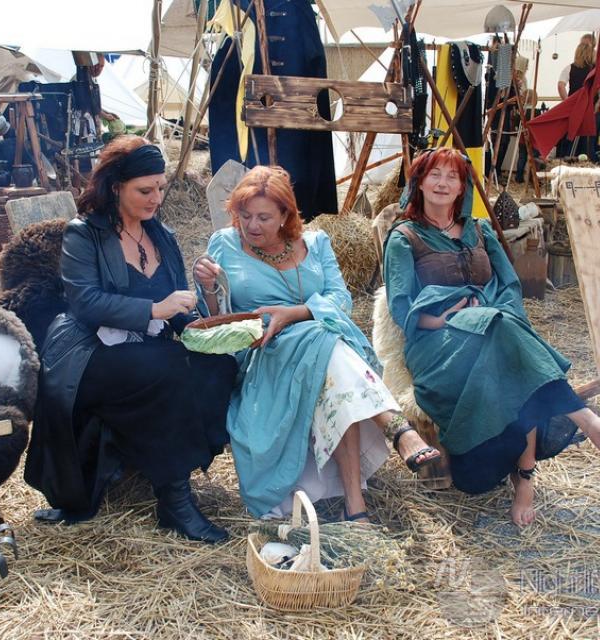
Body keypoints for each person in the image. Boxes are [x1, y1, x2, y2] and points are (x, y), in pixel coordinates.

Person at [193, 166, 440, 522]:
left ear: (285, 215)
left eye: (263, 217)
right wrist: (208, 288)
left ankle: (356, 507)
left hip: (322, 348)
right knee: (325, 342)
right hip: (266, 354)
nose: (251, 226)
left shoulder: (316, 243)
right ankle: (397, 429)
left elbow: (341, 300)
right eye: (244, 215)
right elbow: (217, 319)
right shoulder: (225, 244)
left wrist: (295, 313)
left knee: (329, 367)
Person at [24, 135, 237, 543]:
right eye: (145, 190)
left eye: (160, 187)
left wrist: (204, 328)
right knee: (168, 368)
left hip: (144, 349)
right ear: (115, 186)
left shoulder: (163, 236)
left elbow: (178, 307)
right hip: (87, 353)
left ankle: (172, 460)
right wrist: (154, 310)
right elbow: (85, 303)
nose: (156, 198)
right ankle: (174, 502)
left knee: (217, 365)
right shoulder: (83, 235)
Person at [383, 147, 600, 527]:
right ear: (419, 182)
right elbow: (401, 306)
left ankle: (525, 479)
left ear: (462, 187)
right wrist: (442, 318)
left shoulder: (480, 231)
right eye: (435, 175)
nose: (443, 183)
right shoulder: (405, 238)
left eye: (452, 176)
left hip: (495, 332)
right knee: (506, 342)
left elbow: (509, 285)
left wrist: (496, 314)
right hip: (437, 344)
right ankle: (582, 417)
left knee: (502, 331)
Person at [556, 35, 597, 159]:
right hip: (591, 109)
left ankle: (567, 160)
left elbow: (561, 85)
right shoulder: (595, 70)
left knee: (571, 137)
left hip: (574, 108)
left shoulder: (570, 67)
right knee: (587, 141)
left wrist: (567, 102)